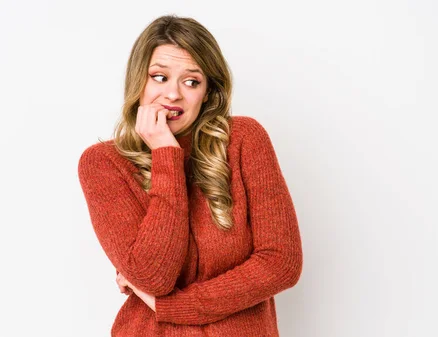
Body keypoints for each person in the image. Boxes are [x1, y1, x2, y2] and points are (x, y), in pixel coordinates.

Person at [77, 15, 303, 336]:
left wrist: (173, 307)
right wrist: (165, 154)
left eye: (191, 81)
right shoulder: (103, 163)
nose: (173, 95)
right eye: (159, 77)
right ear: (138, 81)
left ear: (209, 93)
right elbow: (154, 277)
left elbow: (281, 264)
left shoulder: (244, 140)